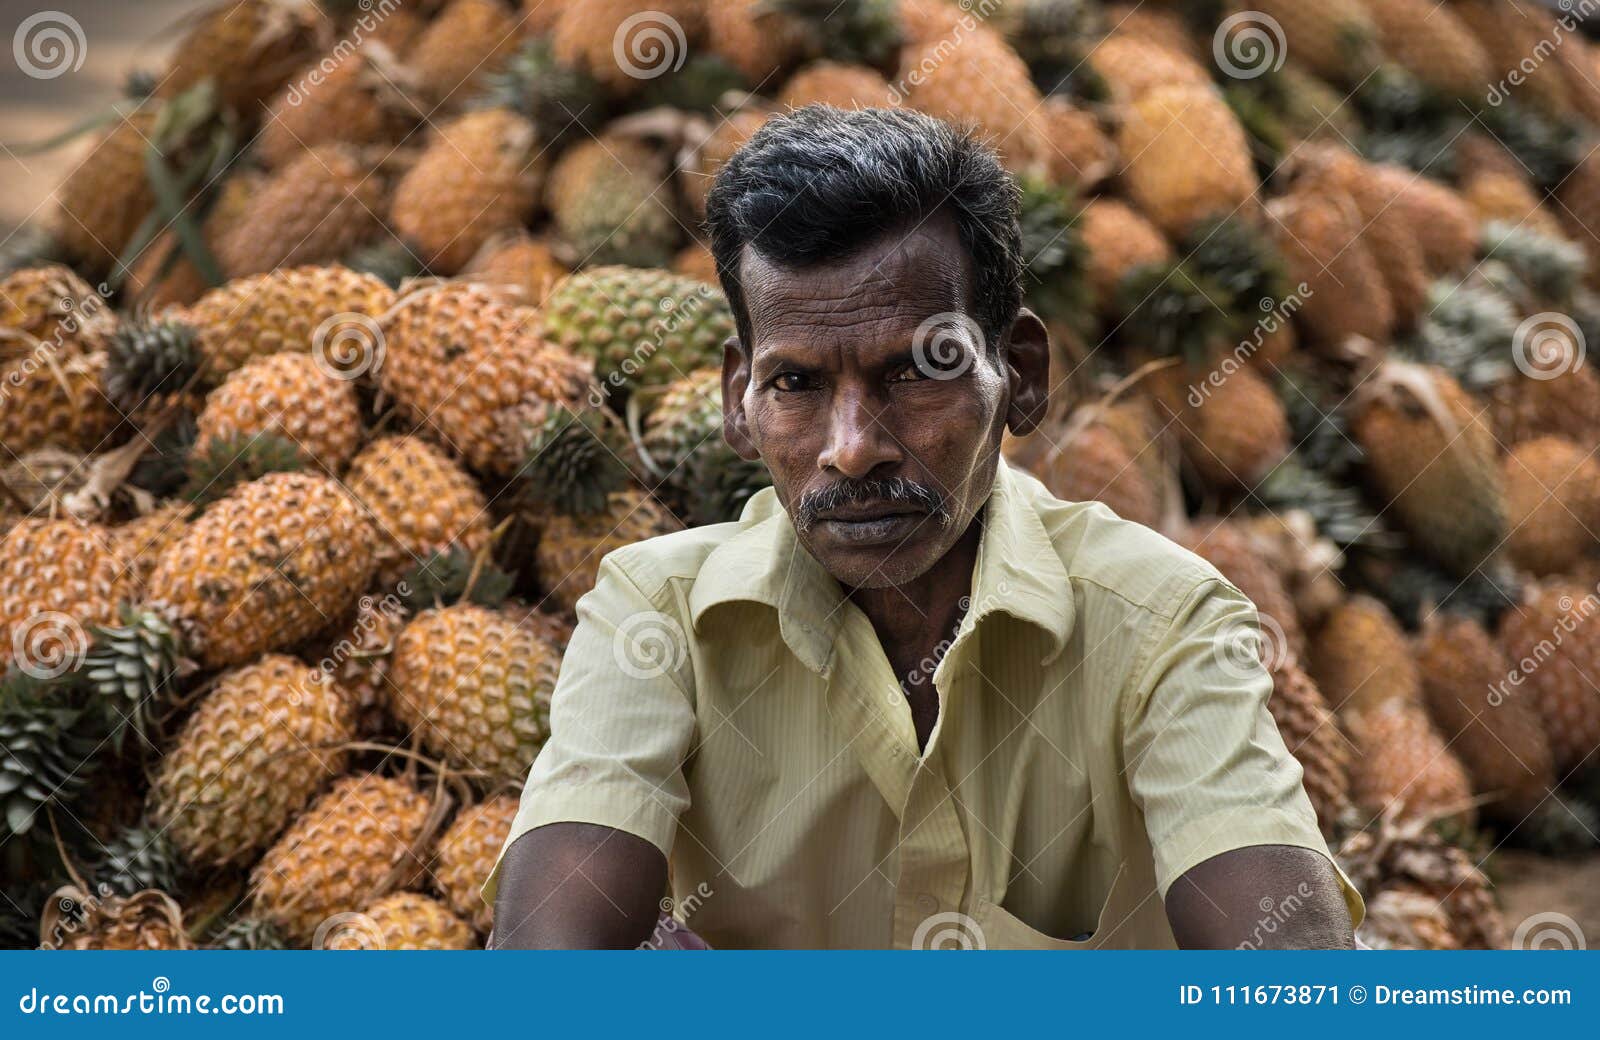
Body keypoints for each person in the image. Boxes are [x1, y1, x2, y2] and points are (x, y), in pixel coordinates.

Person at [485, 105, 1361, 949]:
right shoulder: (656, 615)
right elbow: (545, 975)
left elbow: (1297, 990)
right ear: (737, 401)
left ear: (1018, 374)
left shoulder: (1164, 624)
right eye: (795, 384)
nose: (853, 449)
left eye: (916, 372)